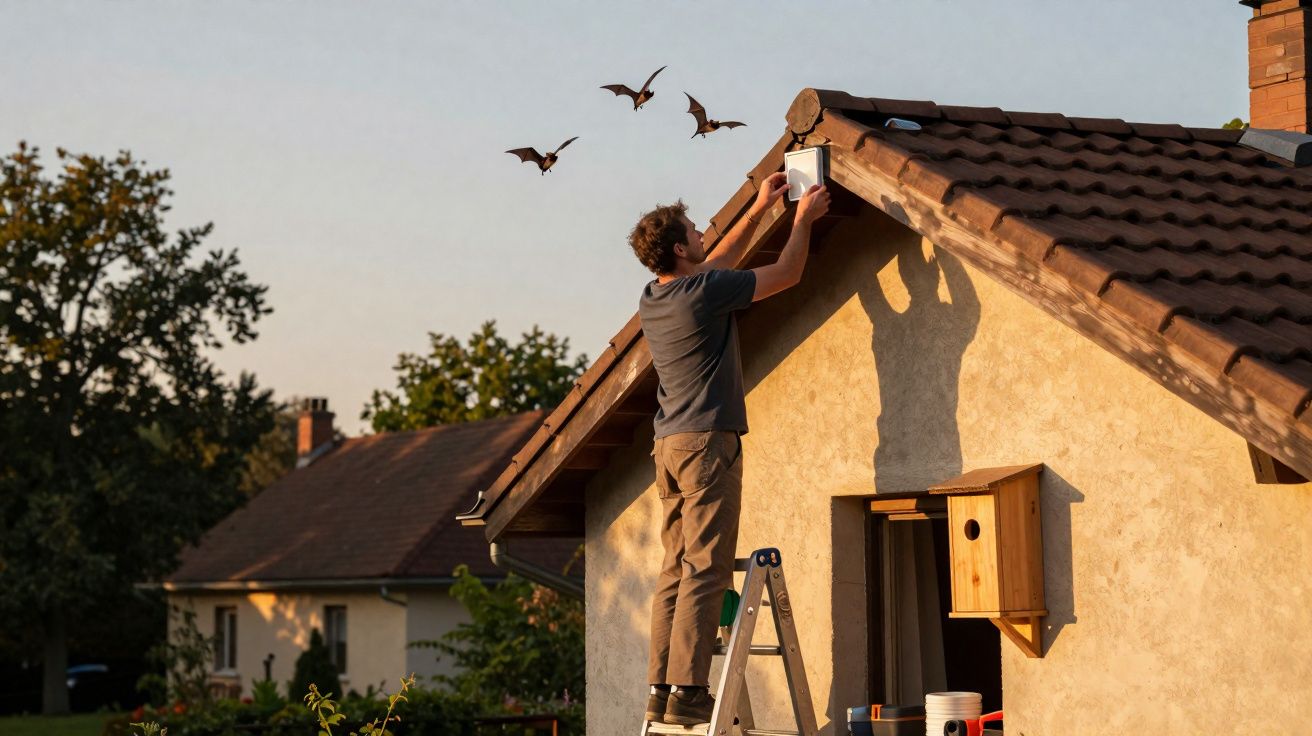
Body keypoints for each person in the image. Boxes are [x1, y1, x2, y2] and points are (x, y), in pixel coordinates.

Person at [628, 172, 830, 726]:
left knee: (675, 568)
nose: (702, 234)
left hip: (668, 447)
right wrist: (801, 220)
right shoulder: (705, 292)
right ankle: (691, 690)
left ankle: (661, 689)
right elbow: (786, 274)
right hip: (707, 444)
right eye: (694, 230)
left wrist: (760, 207)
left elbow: (713, 263)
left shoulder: (654, 297)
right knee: (706, 568)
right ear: (678, 248)